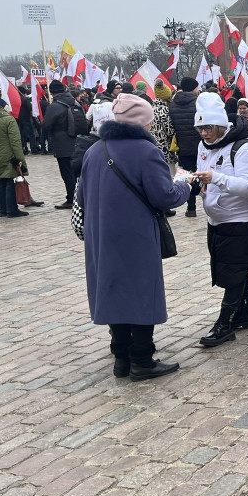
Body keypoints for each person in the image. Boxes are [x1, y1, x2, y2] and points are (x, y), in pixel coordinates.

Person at [77, 95, 191, 381]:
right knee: (141, 291)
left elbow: (81, 196)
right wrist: (185, 186)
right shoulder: (145, 150)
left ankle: (121, 357)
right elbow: (163, 196)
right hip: (136, 235)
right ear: (143, 122)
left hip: (101, 235)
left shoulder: (94, 150)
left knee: (113, 290)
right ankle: (142, 358)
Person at [192, 93, 248, 346]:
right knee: (235, 267)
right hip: (218, 221)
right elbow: (206, 176)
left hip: (243, 220)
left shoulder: (243, 148)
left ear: (222, 126)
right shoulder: (204, 146)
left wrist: (216, 178)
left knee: (234, 271)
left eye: (209, 128)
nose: (204, 133)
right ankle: (245, 314)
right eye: (200, 128)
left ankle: (224, 323)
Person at [42, 80, 88, 209]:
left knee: (67, 173)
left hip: (62, 144)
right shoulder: (75, 102)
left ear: (51, 92)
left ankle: (71, 199)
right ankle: (80, 197)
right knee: (76, 173)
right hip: (78, 142)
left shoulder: (55, 106)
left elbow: (46, 125)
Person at [169, 77, 202, 217]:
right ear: (192, 88)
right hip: (199, 144)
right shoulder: (197, 103)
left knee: (188, 176)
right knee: (203, 173)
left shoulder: (173, 104)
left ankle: (191, 207)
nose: (198, 89)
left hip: (182, 146)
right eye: (197, 87)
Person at [0, 98, 29, 218]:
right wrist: (20, 159)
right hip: (9, 156)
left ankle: (2, 209)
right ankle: (12, 209)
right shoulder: (8, 120)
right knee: (10, 181)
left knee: (0, 182)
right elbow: (15, 142)